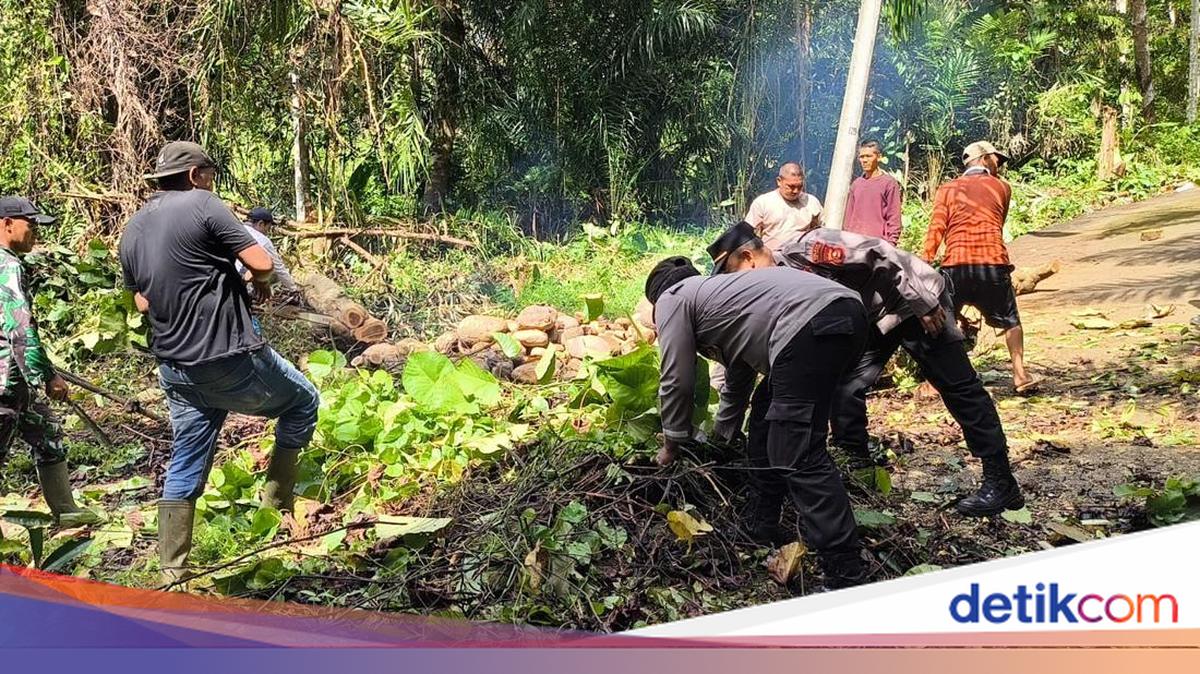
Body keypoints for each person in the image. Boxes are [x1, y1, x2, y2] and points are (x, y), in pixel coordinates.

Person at [708, 221, 1023, 517]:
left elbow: (882, 253)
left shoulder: (807, 250)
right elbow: (743, 366)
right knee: (845, 389)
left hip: (915, 303)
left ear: (748, 258)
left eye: (733, 277)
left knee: (958, 386)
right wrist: (722, 437)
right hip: (873, 319)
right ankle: (856, 465)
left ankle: (1000, 480)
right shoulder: (768, 291)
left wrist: (922, 302)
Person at [119, 141, 320, 584]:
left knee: (187, 457)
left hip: (175, 368)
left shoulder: (132, 227)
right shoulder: (203, 204)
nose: (212, 180)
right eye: (210, 172)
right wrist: (260, 280)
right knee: (303, 401)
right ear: (194, 175)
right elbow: (261, 260)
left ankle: (173, 570)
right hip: (227, 356)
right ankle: (276, 514)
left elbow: (138, 302)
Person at [646, 257, 868, 588]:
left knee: (797, 449)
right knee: (766, 415)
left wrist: (670, 445)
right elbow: (738, 382)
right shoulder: (723, 298)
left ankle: (845, 571)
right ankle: (761, 524)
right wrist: (723, 439)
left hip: (808, 322)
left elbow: (677, 377)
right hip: (848, 313)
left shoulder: (672, 298)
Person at [0, 197, 100, 525]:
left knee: (48, 433)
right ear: (7, 224)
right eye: (31, 226)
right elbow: (21, 329)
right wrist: (47, 376)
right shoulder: (9, 266)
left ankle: (66, 511)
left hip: (16, 380)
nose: (35, 234)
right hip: (6, 381)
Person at [923, 141, 1037, 393]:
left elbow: (937, 227)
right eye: (997, 159)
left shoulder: (947, 189)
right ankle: (1020, 375)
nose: (999, 165)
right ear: (984, 159)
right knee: (1011, 321)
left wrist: (925, 261)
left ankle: (934, 383)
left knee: (944, 322)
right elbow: (997, 222)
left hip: (956, 264)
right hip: (992, 262)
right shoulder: (1002, 188)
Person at [743, 162, 822, 250]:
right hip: (772, 258)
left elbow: (823, 231)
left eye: (800, 186)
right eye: (791, 186)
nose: (796, 191)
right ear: (779, 181)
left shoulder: (811, 202)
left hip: (802, 258)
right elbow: (747, 234)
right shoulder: (763, 202)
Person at [843, 141, 902, 245]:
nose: (864, 160)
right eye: (862, 157)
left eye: (869, 156)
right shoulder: (856, 185)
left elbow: (894, 217)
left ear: (878, 157)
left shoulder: (888, 183)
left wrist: (891, 244)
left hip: (877, 245)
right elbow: (848, 217)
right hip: (854, 244)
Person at [240, 207, 298, 296]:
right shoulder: (263, 240)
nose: (267, 232)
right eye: (268, 227)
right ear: (261, 224)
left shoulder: (236, 230)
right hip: (241, 279)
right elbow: (279, 268)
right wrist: (294, 289)